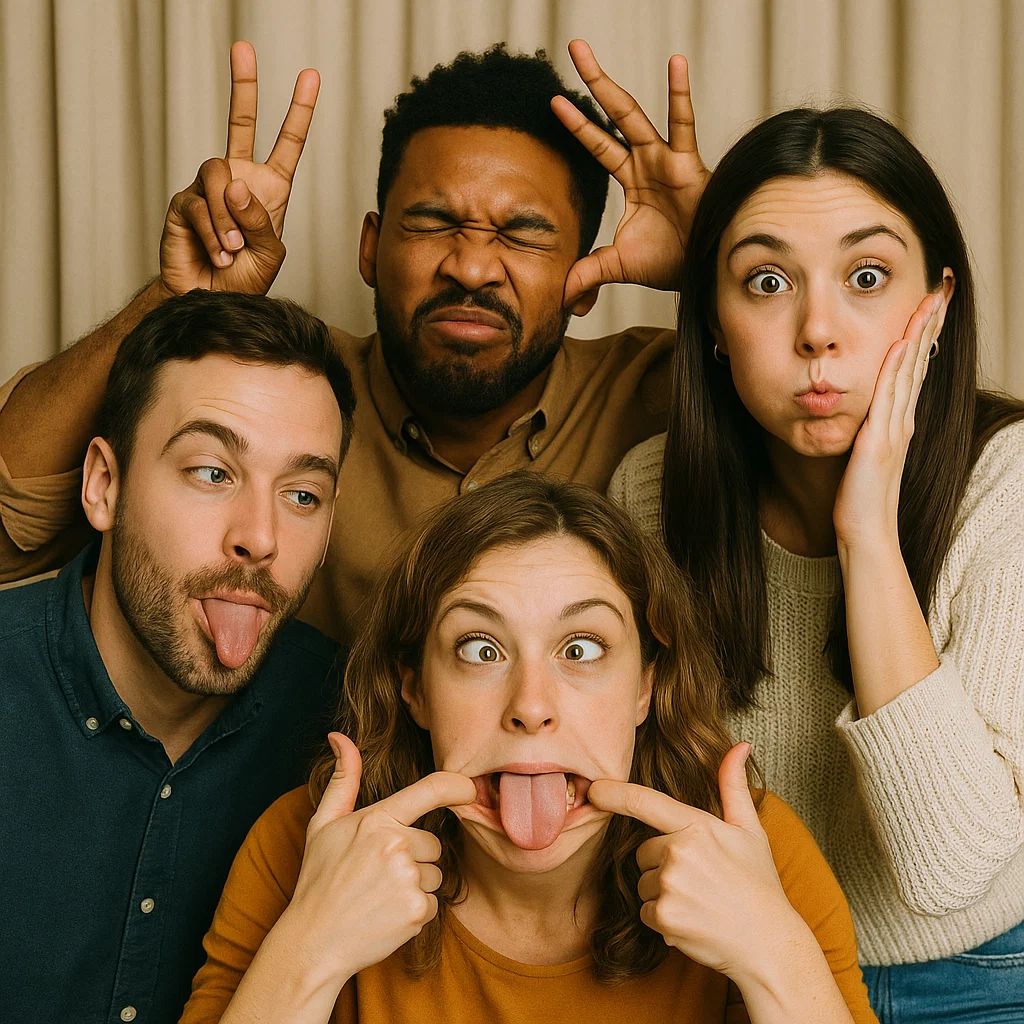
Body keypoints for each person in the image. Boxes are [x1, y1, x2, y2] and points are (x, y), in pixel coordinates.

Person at [0, 40, 709, 645]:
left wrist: (714, 259)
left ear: (587, 277)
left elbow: (811, 443)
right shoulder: (281, 393)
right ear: (370, 249)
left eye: (521, 234)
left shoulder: (669, 391)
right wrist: (179, 307)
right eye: (433, 223)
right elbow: (12, 527)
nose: (469, 267)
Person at [178, 473, 877, 1024]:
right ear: (414, 687)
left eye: (581, 649)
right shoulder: (301, 851)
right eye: (480, 650)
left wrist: (774, 956)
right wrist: (310, 947)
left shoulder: (754, 856)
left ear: (646, 688)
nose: (531, 706)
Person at [607, 106, 1024, 1021]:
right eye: (764, 282)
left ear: (938, 308)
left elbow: (947, 870)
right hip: (732, 964)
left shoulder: (1009, 482)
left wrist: (867, 529)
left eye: (867, 276)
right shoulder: (651, 491)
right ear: (712, 323)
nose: (817, 331)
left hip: (974, 979)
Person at [0, 289, 356, 1024]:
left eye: (302, 494)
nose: (260, 537)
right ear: (103, 485)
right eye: (212, 473)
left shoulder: (346, 723)